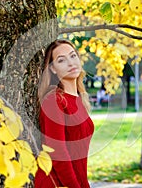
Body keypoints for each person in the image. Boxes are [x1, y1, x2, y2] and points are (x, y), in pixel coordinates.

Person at [35, 39, 94, 188]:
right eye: (62, 60)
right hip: (57, 182)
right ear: (53, 68)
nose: (70, 63)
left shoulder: (79, 100)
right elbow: (58, 152)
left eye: (73, 56)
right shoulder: (54, 100)